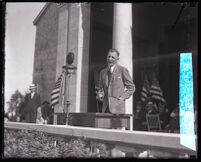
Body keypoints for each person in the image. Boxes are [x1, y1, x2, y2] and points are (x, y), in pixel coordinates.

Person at [97, 48, 135, 114]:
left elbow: (131, 88)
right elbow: (101, 89)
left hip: (118, 109)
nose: (110, 59)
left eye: (113, 57)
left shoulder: (122, 70)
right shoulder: (102, 72)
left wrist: (122, 97)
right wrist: (100, 94)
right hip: (105, 108)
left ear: (117, 59)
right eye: (109, 57)